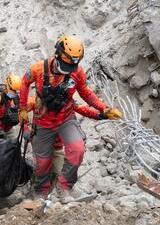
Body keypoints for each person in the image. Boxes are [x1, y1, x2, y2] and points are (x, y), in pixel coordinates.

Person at [18, 35, 122, 201]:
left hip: (66, 118)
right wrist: (22, 109)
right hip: (43, 122)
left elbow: (86, 93)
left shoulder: (77, 72)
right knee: (44, 162)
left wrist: (104, 108)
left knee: (77, 149)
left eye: (72, 65)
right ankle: (40, 192)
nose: (68, 69)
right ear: (58, 54)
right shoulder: (38, 69)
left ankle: (64, 187)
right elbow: (24, 83)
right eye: (65, 65)